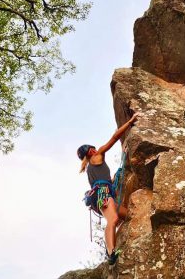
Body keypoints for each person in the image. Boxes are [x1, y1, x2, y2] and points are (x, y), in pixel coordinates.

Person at [77, 113, 139, 265]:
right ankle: (111, 252)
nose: (96, 149)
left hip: (102, 193)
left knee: (129, 215)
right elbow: (114, 138)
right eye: (93, 148)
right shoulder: (97, 155)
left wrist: (115, 176)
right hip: (103, 194)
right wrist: (130, 122)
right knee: (113, 219)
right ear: (91, 151)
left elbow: (105, 181)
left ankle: (116, 244)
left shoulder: (91, 167)